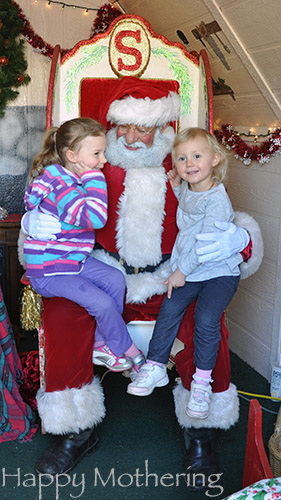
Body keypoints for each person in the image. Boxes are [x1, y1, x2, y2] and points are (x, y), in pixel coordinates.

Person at [20, 77, 263, 488]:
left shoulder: (183, 165)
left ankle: (199, 428)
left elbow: (218, 213)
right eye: (124, 127)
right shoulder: (91, 164)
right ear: (110, 126)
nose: (132, 137)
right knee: (64, 316)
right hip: (98, 269)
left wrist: (243, 239)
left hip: (168, 276)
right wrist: (33, 223)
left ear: (162, 127)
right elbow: (49, 201)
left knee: (204, 324)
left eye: (144, 127)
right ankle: (76, 427)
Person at [127, 127, 241, 422]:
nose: (189, 163)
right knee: (171, 307)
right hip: (193, 270)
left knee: (205, 318)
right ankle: (155, 366)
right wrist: (178, 187)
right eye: (181, 158)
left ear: (215, 159)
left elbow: (204, 246)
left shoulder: (217, 199)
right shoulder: (191, 189)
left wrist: (179, 272)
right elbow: (189, 214)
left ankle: (202, 384)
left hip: (218, 272)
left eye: (197, 156)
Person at [23, 117, 144, 376]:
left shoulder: (69, 179)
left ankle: (102, 343)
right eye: (97, 154)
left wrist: (89, 174)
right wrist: (95, 178)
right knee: (101, 303)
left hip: (72, 260)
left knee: (114, 278)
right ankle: (127, 349)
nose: (103, 161)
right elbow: (95, 218)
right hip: (49, 270)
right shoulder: (63, 186)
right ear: (72, 156)